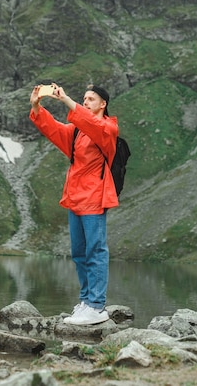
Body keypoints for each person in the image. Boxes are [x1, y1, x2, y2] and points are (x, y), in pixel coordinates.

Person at [29, 82, 119, 326]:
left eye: (91, 99)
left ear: (103, 104)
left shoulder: (108, 127)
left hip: (94, 198)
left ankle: (97, 306)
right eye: (84, 98)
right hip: (75, 198)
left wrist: (67, 100)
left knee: (96, 251)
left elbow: (94, 125)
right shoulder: (77, 131)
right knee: (79, 253)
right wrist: (37, 107)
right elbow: (54, 129)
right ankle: (85, 302)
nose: (86, 101)